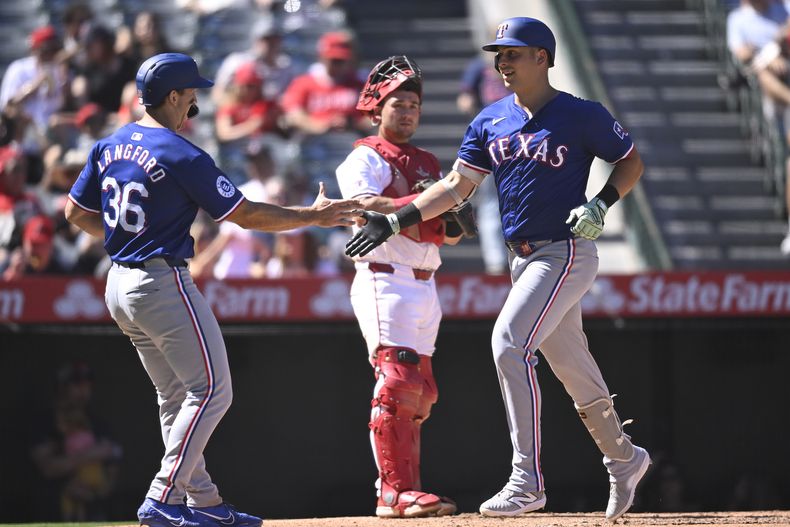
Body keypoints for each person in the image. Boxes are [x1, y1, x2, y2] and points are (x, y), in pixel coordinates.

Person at [345, 18, 650, 521]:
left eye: (514, 53)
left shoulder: (580, 114)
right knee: (573, 367)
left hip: (565, 249)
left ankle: (526, 480)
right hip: (522, 257)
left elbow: (630, 160)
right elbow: (454, 188)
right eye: (499, 54)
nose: (502, 62)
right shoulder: (490, 119)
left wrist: (602, 202)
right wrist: (395, 221)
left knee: (508, 342)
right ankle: (624, 458)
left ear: (543, 58)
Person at [64, 52, 361, 527]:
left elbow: (75, 215)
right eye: (191, 97)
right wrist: (313, 216)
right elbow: (245, 215)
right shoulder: (181, 153)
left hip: (118, 284)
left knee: (176, 397)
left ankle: (202, 501)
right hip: (160, 282)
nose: (194, 106)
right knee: (213, 391)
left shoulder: (110, 143)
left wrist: (125, 238)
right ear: (174, 96)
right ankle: (163, 497)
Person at [336, 55, 467, 518]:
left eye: (413, 104)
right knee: (396, 379)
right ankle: (391, 491)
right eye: (398, 104)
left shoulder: (429, 160)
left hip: (425, 281)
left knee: (421, 391)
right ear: (377, 109)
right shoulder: (365, 155)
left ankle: (407, 490)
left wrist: (444, 209)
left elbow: (454, 230)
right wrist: (432, 202)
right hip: (383, 276)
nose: (407, 111)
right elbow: (365, 206)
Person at [30, 361, 122, 521]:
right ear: (62, 387)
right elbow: (47, 468)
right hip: (53, 511)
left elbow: (113, 466)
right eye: (77, 384)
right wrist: (90, 454)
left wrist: (96, 492)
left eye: (87, 385)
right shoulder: (45, 424)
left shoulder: (98, 425)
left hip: (94, 510)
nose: (83, 390)